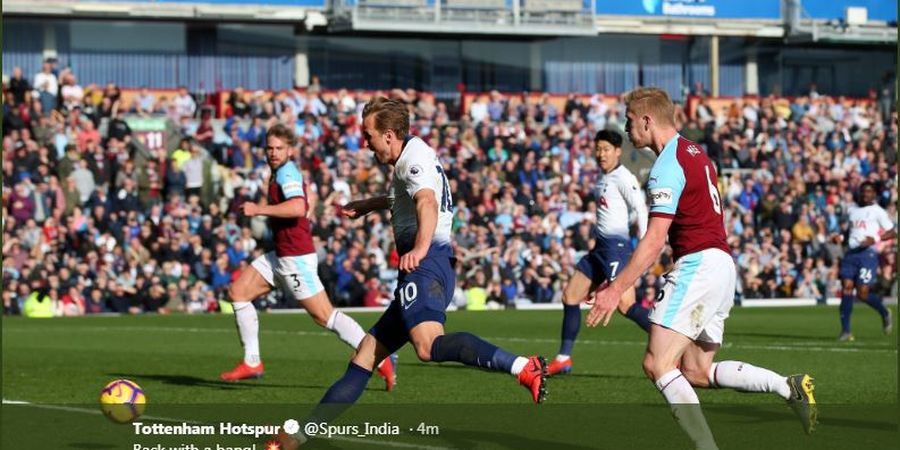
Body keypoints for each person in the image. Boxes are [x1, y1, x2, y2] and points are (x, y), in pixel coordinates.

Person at [276, 97, 547, 449]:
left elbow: (427, 202)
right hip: (425, 262)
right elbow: (407, 197)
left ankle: (524, 367)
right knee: (365, 356)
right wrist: (371, 204)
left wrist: (419, 249)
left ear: (389, 135)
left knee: (426, 345)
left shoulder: (413, 161)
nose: (365, 143)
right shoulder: (411, 156)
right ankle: (300, 435)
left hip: (426, 261)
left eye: (369, 135)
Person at [588, 87, 816, 449]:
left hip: (699, 264)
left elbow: (654, 238)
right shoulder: (697, 153)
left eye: (630, 121)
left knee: (657, 364)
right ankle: (787, 386)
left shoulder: (666, 165)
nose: (627, 129)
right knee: (694, 371)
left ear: (647, 120)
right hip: (721, 265)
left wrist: (615, 287)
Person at [219, 123, 395, 391]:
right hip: (280, 254)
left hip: (295, 258)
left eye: (279, 148)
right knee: (238, 292)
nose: (274, 152)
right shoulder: (282, 171)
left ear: (289, 150)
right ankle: (252, 362)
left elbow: (298, 206)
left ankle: (378, 357)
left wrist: (259, 209)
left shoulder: (285, 171)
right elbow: (306, 196)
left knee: (325, 317)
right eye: (270, 148)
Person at [548, 129, 649, 376]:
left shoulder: (624, 177)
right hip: (600, 248)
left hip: (617, 249)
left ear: (618, 151)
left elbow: (641, 208)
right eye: (598, 149)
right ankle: (563, 358)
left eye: (606, 149)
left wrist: (645, 243)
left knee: (626, 306)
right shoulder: (602, 178)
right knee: (570, 296)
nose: (601, 154)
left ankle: (672, 344)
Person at [837, 181, 895, 341]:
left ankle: (884, 312)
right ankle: (846, 331)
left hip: (867, 255)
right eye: (863, 191)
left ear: (874, 194)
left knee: (862, 293)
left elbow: (892, 232)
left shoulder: (877, 211)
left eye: (869, 191)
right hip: (851, 254)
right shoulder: (852, 210)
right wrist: (839, 238)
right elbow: (848, 233)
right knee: (847, 288)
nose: (865, 194)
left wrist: (875, 238)